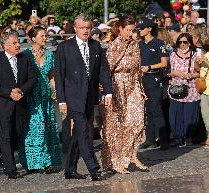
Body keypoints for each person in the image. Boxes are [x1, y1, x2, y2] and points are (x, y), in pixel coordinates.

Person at [54, 13, 112, 181]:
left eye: (88, 28)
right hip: (73, 98)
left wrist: (108, 91)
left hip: (90, 97)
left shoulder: (96, 46)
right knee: (85, 131)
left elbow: (103, 71)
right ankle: (93, 168)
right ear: (75, 28)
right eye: (82, 28)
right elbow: (59, 76)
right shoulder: (65, 47)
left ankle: (70, 169)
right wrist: (62, 100)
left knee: (78, 134)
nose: (85, 31)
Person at [101, 15, 147, 174]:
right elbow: (107, 69)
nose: (130, 33)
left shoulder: (135, 45)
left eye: (132, 30)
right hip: (117, 84)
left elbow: (138, 67)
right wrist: (107, 91)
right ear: (120, 29)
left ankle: (132, 154)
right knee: (119, 124)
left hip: (133, 83)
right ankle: (118, 161)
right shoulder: (114, 45)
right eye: (128, 30)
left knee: (138, 120)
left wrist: (140, 89)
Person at [0, 30, 36, 179]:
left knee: (16, 134)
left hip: (20, 105)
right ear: (5, 46)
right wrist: (10, 93)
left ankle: (4, 159)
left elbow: (33, 79)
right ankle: (10, 169)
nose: (17, 45)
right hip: (3, 106)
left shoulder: (24, 58)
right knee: (5, 136)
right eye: (14, 43)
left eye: (18, 42)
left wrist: (21, 91)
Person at [18, 25, 62, 173]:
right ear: (33, 38)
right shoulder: (25, 55)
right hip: (31, 98)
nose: (45, 38)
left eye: (45, 35)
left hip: (45, 98)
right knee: (34, 129)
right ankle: (32, 163)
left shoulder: (50, 55)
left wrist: (56, 92)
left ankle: (47, 161)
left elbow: (51, 76)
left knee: (48, 129)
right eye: (42, 35)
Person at [137, 18, 169, 150]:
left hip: (154, 79)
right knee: (147, 111)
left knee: (157, 110)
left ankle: (164, 139)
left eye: (142, 28)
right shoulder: (139, 44)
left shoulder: (158, 43)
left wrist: (149, 67)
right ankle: (150, 139)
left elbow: (164, 63)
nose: (140, 30)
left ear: (149, 29)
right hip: (142, 80)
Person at [168, 33, 200, 146]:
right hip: (176, 88)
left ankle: (189, 137)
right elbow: (168, 72)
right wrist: (175, 73)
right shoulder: (173, 55)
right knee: (175, 115)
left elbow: (199, 73)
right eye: (180, 42)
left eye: (184, 42)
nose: (182, 44)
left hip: (191, 89)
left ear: (189, 43)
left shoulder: (196, 55)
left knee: (190, 115)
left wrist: (191, 75)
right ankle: (177, 137)